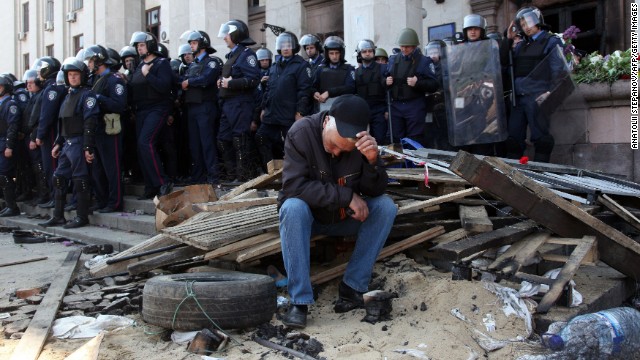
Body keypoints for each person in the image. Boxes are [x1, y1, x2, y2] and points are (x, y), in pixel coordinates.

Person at [278, 94, 397, 329]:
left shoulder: (362, 144)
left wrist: (373, 162)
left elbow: (375, 190)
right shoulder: (300, 133)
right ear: (326, 122)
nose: (335, 153)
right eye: (332, 146)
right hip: (307, 220)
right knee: (292, 207)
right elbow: (293, 186)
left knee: (385, 207)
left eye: (343, 151)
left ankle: (352, 287)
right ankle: (299, 301)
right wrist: (346, 196)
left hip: (343, 218)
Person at [38, 58, 99, 229]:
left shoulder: (87, 95)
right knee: (58, 177)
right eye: (69, 75)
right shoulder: (68, 95)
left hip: (79, 142)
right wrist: (58, 142)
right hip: (67, 143)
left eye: (75, 75)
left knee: (80, 180)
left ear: (82, 76)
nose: (72, 78)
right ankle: (58, 216)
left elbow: (90, 122)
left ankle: (82, 216)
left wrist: (88, 147)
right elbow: (62, 122)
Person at [504, 7, 564, 162]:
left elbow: (558, 70)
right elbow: (505, 65)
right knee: (513, 141)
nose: (526, 27)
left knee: (541, 139)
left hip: (538, 96)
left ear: (538, 21)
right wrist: (509, 40)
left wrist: (550, 92)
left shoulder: (550, 41)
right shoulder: (520, 45)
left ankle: (541, 177)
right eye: (522, 25)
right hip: (518, 98)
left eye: (528, 22)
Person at [128, 31, 174, 199]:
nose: (139, 49)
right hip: (141, 110)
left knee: (145, 143)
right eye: (137, 46)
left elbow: (164, 87)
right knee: (141, 148)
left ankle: (163, 182)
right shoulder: (139, 66)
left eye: (141, 45)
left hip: (157, 108)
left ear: (150, 45)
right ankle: (151, 185)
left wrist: (148, 74)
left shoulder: (161, 63)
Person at [256, 32, 311, 170]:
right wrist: (264, 108)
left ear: (294, 47)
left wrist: (300, 111)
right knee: (261, 137)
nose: (285, 48)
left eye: (288, 45)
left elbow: (304, 91)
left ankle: (294, 174)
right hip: (272, 113)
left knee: (293, 145)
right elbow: (269, 89)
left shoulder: (301, 65)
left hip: (289, 114)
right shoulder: (274, 66)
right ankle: (271, 171)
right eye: (283, 45)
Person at [84, 45, 127, 213]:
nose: (88, 64)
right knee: (98, 169)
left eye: (91, 61)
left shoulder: (114, 79)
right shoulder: (94, 80)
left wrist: (99, 98)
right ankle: (102, 200)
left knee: (112, 168)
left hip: (111, 129)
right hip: (98, 130)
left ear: (99, 61)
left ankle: (115, 202)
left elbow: (120, 105)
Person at [216, 19, 260, 183]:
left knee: (240, 140)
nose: (224, 37)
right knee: (223, 140)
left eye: (227, 34)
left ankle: (244, 177)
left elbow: (253, 79)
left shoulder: (247, 54)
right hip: (228, 104)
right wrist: (221, 82)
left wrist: (230, 83)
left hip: (241, 103)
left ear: (236, 34)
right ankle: (231, 174)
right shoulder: (232, 55)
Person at [385, 28, 439, 145]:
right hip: (396, 106)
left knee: (415, 140)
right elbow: (384, 79)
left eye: (407, 47)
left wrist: (418, 83)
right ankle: (398, 164)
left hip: (414, 105)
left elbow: (434, 84)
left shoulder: (424, 62)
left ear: (414, 46)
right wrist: (386, 81)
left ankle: (413, 164)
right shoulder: (393, 60)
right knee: (395, 140)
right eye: (402, 46)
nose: (404, 49)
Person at [182, 30, 221, 185]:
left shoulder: (211, 62)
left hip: (205, 107)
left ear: (202, 44)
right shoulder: (193, 64)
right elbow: (185, 79)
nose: (191, 46)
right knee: (194, 145)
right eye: (190, 43)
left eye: (194, 43)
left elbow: (206, 79)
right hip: (192, 107)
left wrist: (190, 82)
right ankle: (198, 177)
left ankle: (213, 177)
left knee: (207, 143)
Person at [33, 56, 65, 208]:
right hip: (50, 132)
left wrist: (40, 134)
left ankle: (56, 198)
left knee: (52, 167)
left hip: (51, 133)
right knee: (48, 168)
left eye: (41, 70)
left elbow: (47, 114)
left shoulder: (52, 88)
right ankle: (54, 197)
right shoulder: (49, 87)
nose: (38, 73)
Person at [354, 39, 388, 145]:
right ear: (360, 54)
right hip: (362, 111)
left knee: (380, 140)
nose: (367, 54)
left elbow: (388, 91)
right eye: (364, 52)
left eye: (370, 51)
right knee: (363, 141)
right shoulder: (356, 72)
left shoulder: (383, 68)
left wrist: (387, 110)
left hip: (379, 111)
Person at [311, 36, 355, 113]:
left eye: (337, 53)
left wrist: (329, 92)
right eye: (331, 53)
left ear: (341, 53)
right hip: (324, 109)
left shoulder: (349, 69)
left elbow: (350, 88)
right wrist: (315, 93)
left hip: (343, 108)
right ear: (327, 54)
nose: (334, 56)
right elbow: (314, 86)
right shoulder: (320, 69)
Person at [0, 75, 22, 216]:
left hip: (4, 143)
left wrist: (9, 146)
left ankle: (12, 206)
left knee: (5, 174)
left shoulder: (10, 104)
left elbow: (13, 127)